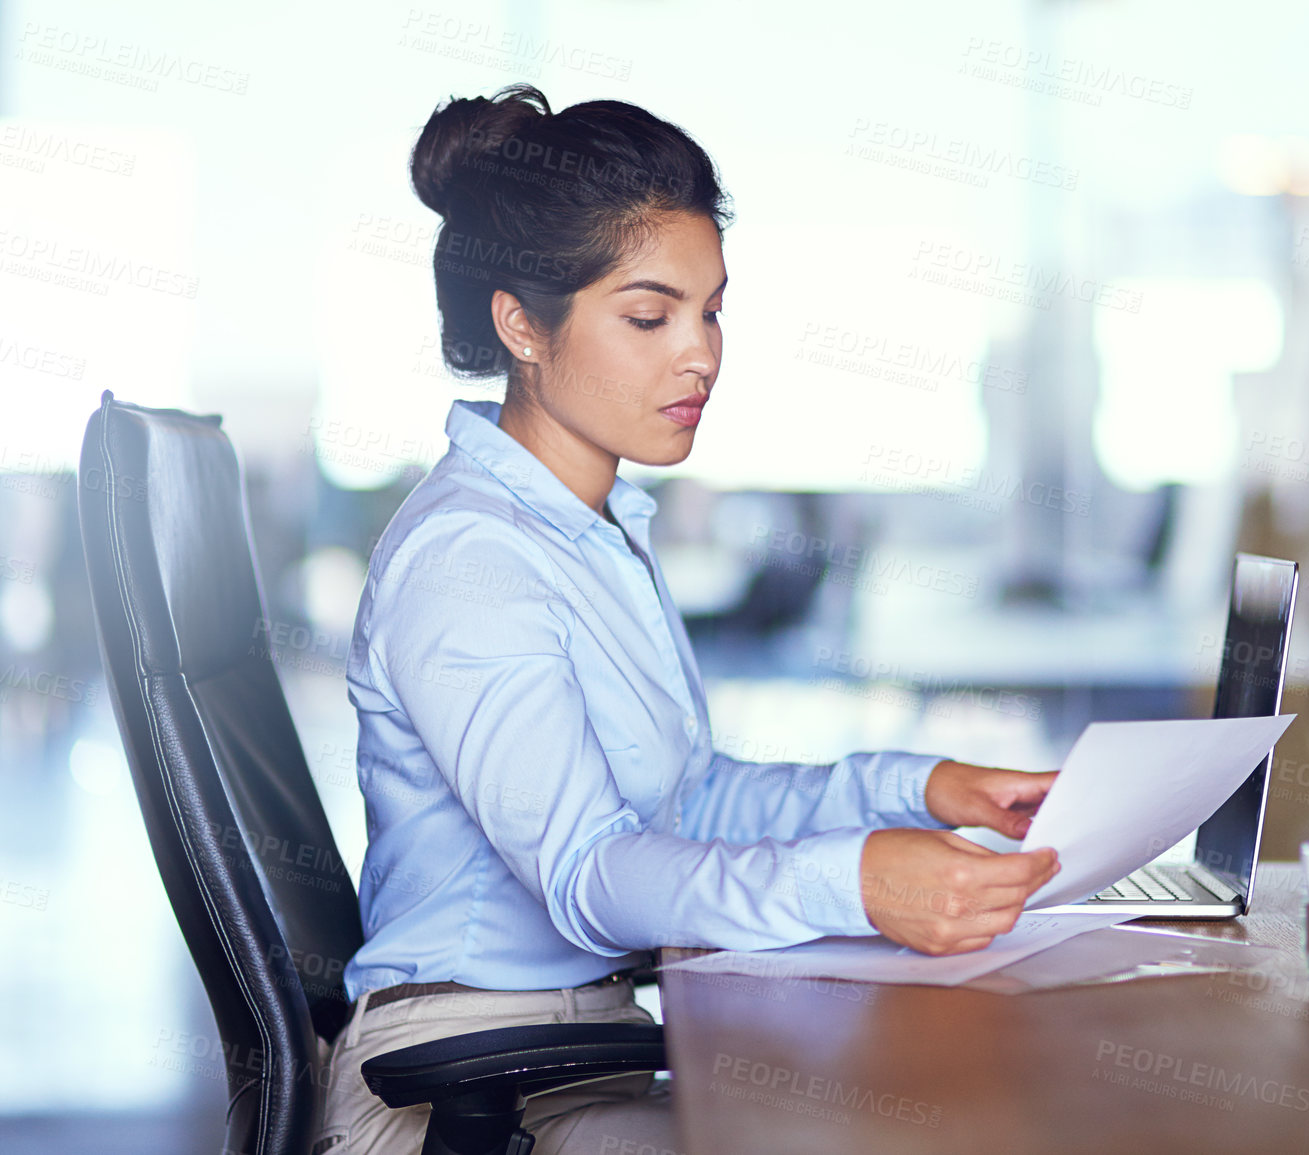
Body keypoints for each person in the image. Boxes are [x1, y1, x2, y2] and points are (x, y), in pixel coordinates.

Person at [313, 83, 1060, 1154]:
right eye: (650, 316)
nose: (700, 353)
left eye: (711, 310)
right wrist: (854, 879)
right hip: (470, 1072)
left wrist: (918, 790)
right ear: (522, 323)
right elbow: (587, 879)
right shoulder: (471, 562)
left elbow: (689, 795)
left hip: (581, 1044)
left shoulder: (594, 520)